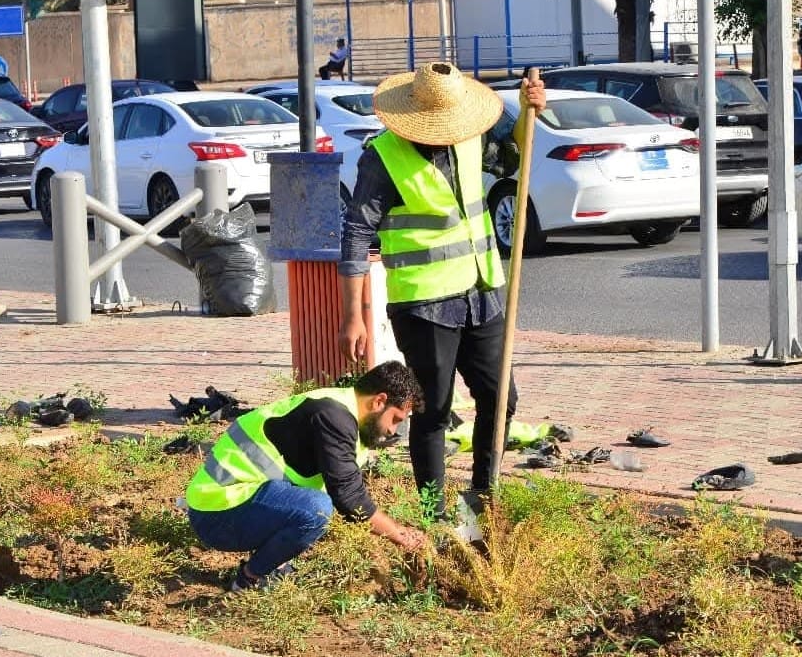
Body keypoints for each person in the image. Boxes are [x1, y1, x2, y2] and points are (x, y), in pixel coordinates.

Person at [337, 61, 546, 516]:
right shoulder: (383, 156)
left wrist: (531, 113)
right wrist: (352, 314)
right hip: (424, 304)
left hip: (483, 290)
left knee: (500, 399)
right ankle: (432, 514)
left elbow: (515, 155)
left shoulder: (471, 136)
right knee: (433, 410)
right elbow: (355, 233)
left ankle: (481, 502)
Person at [185, 360, 428, 590]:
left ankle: (274, 561)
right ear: (379, 401)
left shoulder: (343, 413)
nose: (392, 430)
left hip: (233, 503)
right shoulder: (333, 417)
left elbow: (347, 495)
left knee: (322, 511)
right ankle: (251, 578)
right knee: (316, 509)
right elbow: (349, 498)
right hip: (216, 513)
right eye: (395, 419)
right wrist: (401, 536)